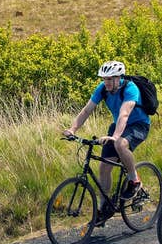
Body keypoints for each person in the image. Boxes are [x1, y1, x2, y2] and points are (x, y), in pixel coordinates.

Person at [64, 60, 151, 225]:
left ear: (119, 78)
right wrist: (72, 129)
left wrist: (116, 137)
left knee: (120, 144)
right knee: (104, 168)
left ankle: (134, 181)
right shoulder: (102, 89)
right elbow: (86, 110)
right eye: (105, 79)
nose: (107, 82)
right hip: (117, 125)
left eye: (110, 79)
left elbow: (124, 114)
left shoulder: (131, 88)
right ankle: (104, 210)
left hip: (139, 125)